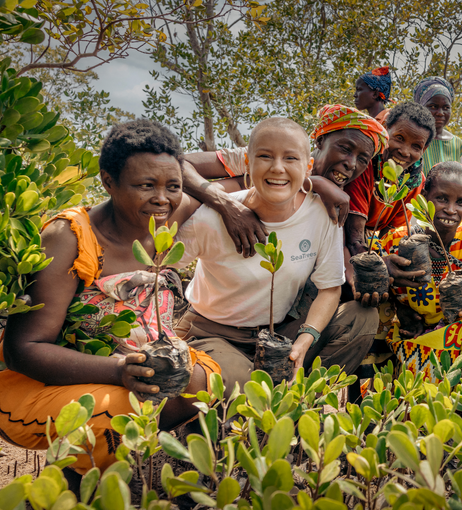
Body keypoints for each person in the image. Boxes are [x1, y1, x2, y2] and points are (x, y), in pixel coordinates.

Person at [0, 119, 219, 473]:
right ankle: (86, 491)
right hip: (39, 385)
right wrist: (118, 370)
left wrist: (222, 199)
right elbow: (22, 350)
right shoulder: (69, 237)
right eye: (145, 185)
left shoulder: (166, 216)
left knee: (202, 382)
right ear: (108, 181)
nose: (161, 199)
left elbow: (243, 172)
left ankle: (121, 459)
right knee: (122, 406)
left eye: (172, 185)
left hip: (130, 371)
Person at [174, 117, 378, 388]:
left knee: (360, 318)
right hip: (214, 332)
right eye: (266, 156)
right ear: (247, 162)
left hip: (278, 334)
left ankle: (303, 400)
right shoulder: (212, 216)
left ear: (307, 167)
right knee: (246, 386)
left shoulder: (323, 214)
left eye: (290, 158)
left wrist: (305, 340)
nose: (278, 168)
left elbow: (330, 288)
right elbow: (160, 270)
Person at [181, 105, 388, 255]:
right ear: (320, 140)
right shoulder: (271, 154)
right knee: (192, 197)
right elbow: (179, 166)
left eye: (362, 159)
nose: (351, 164)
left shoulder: (346, 193)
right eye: (344, 148)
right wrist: (230, 207)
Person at [380, 162, 462, 388]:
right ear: (424, 196)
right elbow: (383, 288)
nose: (451, 209)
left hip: (457, 328)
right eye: (442, 198)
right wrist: (402, 310)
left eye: (461, 202)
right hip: (411, 333)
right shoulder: (396, 239)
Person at [344, 102, 436, 256]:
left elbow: (390, 236)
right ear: (385, 128)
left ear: (424, 149)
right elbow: (355, 241)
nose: (405, 152)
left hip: (370, 237)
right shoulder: (365, 164)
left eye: (416, 146)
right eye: (399, 138)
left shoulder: (414, 181)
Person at [413, 76, 462, 176]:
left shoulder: (458, 146)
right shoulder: (410, 139)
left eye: (446, 107)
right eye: (433, 106)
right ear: (420, 107)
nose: (440, 113)